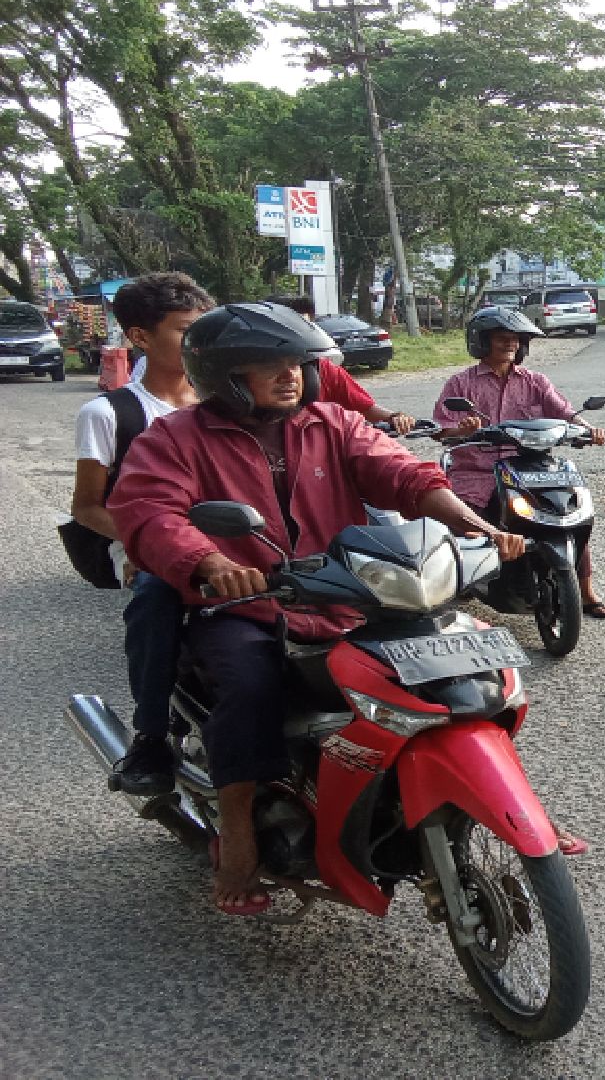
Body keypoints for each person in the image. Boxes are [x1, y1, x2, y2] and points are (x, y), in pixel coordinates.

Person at [108, 302, 523, 915]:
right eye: (268, 366)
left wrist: (472, 522)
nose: (290, 376)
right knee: (249, 689)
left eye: (296, 364)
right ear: (221, 374)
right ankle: (241, 837)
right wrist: (211, 562)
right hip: (245, 607)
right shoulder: (174, 438)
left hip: (347, 598)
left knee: (455, 671)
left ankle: (500, 802)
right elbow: (148, 511)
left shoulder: (333, 422)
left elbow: (402, 473)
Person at [71, 272, 213, 794]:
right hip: (142, 546)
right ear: (140, 337)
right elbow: (88, 506)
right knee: (156, 599)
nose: (197, 344)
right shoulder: (110, 413)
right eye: (183, 332)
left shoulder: (224, 402)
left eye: (204, 330)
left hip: (228, 541)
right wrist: (139, 541)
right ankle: (150, 735)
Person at [433, 306, 605, 619]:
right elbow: (443, 427)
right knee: (465, 517)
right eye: (502, 338)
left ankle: (586, 593)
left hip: (529, 468)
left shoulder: (535, 381)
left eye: (515, 339)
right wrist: (460, 430)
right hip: (478, 469)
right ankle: (463, 579)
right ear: (482, 341)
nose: (510, 344)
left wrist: (589, 432)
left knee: (567, 516)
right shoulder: (461, 384)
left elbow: (565, 413)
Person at [265, 294, 416, 434]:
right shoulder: (250, 370)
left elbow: (365, 407)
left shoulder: (323, 368)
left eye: (307, 328)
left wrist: (395, 418)